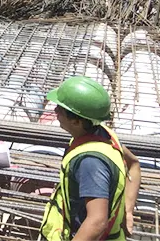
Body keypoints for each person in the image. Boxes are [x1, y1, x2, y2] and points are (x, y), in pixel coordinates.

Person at [40, 77, 141, 241]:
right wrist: (127, 212)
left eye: (60, 108)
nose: (55, 110)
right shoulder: (104, 135)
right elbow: (134, 164)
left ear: (77, 121)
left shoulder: (90, 162)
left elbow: (97, 222)